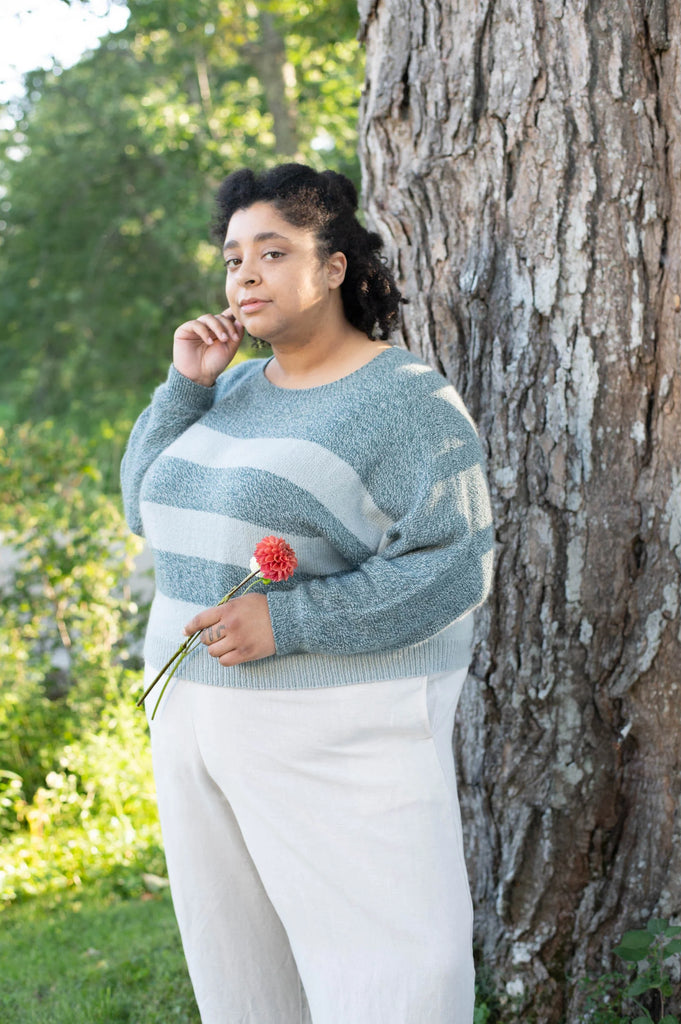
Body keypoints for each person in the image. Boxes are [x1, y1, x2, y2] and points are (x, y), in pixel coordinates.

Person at [120, 162, 494, 1024]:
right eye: (232, 259)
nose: (244, 275)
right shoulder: (229, 387)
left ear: (333, 267)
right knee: (243, 975)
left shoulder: (404, 400)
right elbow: (145, 506)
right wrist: (185, 386)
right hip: (196, 731)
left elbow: (452, 565)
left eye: (272, 252)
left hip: (332, 739)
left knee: (390, 970)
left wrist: (286, 619)